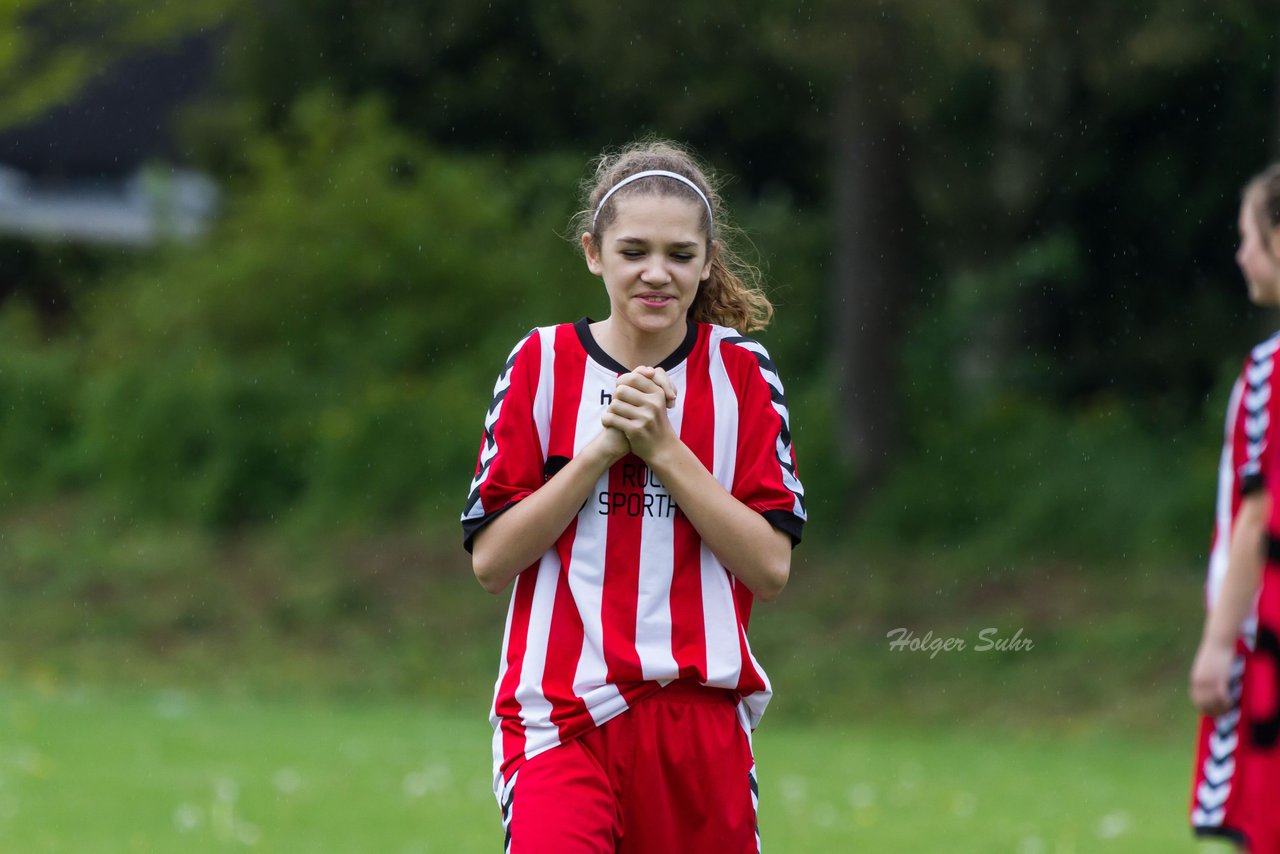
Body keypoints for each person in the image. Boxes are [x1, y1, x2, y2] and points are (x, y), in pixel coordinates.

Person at [461, 139, 806, 853]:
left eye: (680, 255)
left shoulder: (742, 373)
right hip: (561, 716)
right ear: (594, 252)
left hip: (695, 723)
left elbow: (769, 569)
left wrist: (665, 451)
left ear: (707, 261)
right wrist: (600, 452)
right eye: (633, 251)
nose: (657, 273)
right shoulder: (542, 362)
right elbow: (491, 562)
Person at [1189, 164, 1280, 851]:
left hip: (1266, 646)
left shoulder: (1267, 375)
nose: (1241, 253)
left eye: (1249, 235)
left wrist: (1220, 644)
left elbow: (1257, 518)